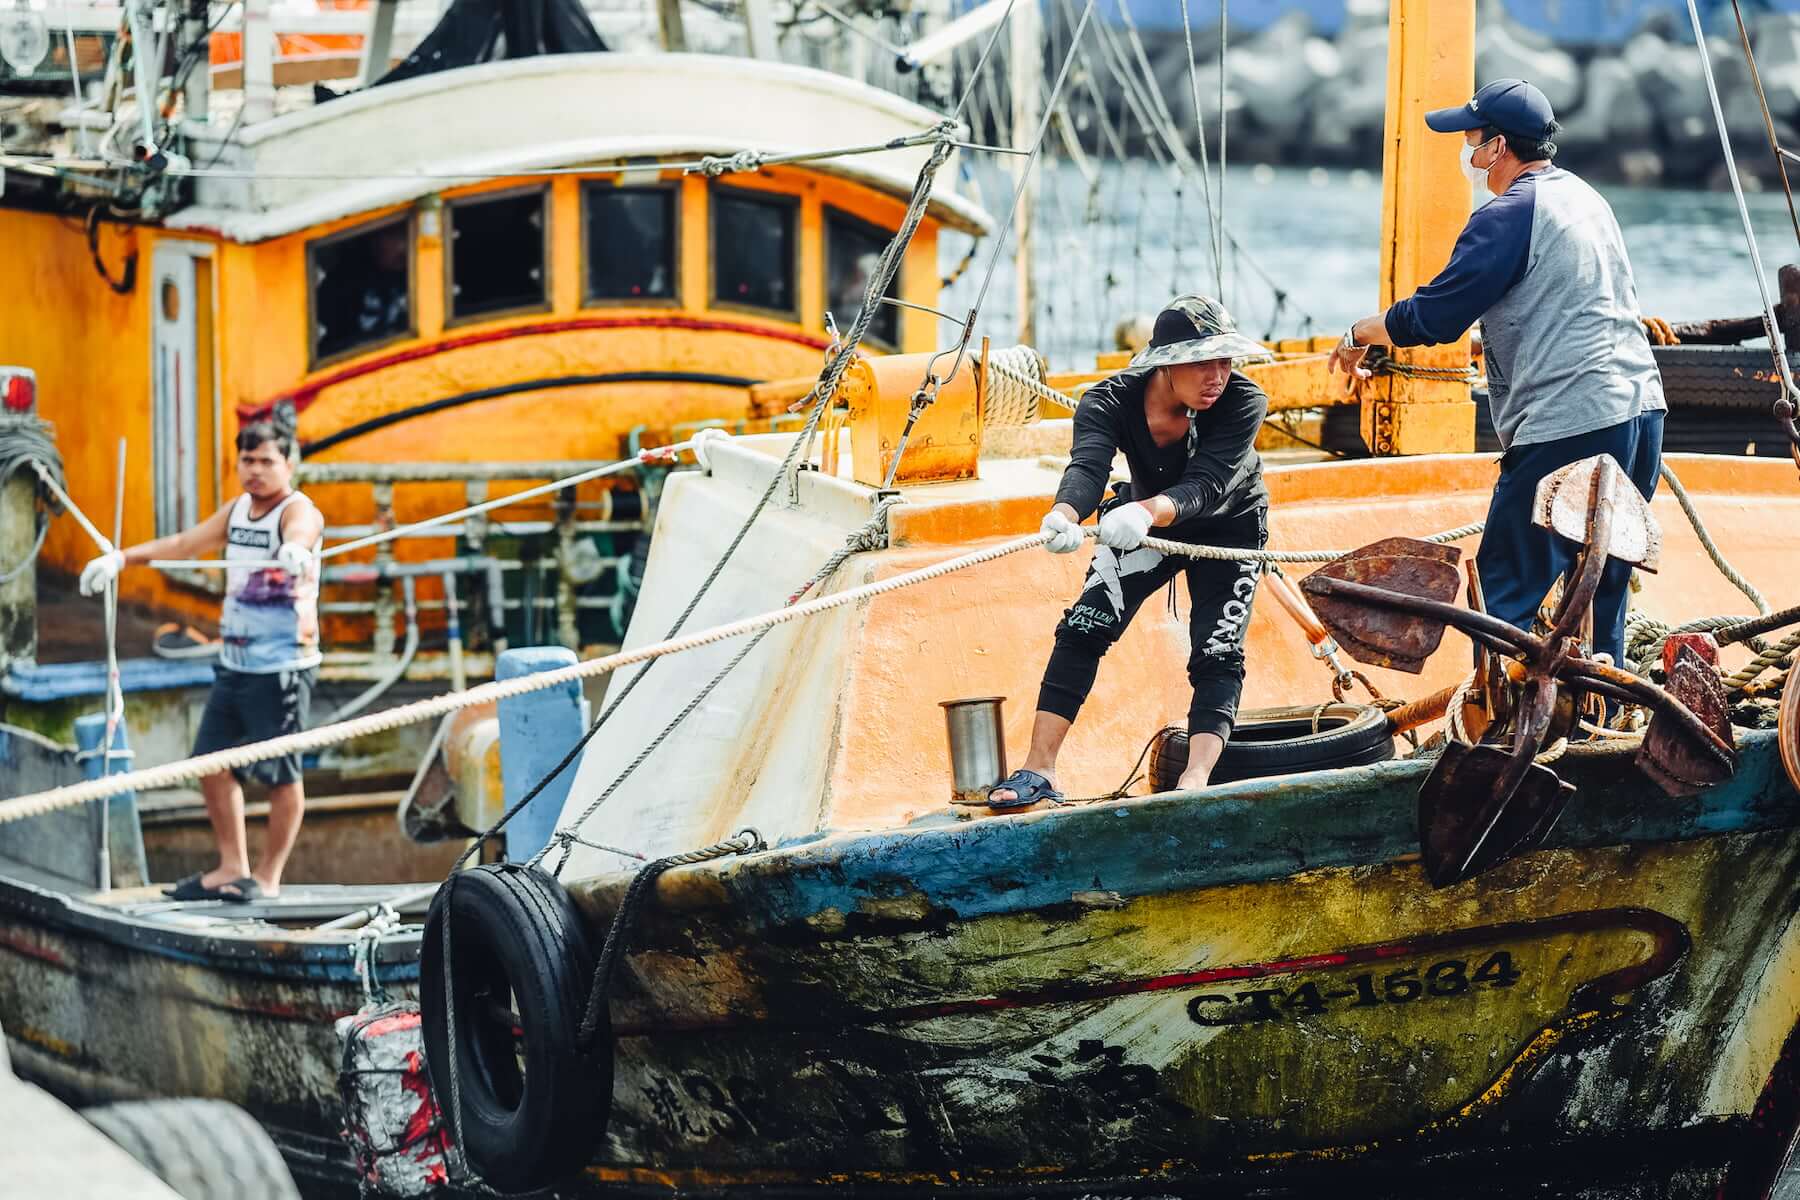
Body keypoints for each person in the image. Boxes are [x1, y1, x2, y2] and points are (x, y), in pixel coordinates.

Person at [1329, 78, 1665, 670]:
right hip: (1641, 411)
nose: (1466, 150)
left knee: (1504, 591)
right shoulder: (1585, 197)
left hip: (1569, 423)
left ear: (1498, 147)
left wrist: (1359, 333)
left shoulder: (1508, 215)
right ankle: (1604, 712)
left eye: (1471, 139)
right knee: (1604, 585)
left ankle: (1494, 719)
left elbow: (1434, 316)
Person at [988, 295, 1271, 808]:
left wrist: (1144, 511)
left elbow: (1208, 483)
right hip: (1142, 526)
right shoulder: (1108, 401)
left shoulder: (1244, 401)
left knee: (1218, 651)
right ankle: (1038, 768)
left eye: (1225, 361)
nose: (1217, 376)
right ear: (1165, 364)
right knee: (1084, 627)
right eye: (1201, 362)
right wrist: (1064, 515)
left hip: (1229, 528)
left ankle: (1194, 781)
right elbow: (1088, 466)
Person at [80, 414, 323, 901]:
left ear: (289, 464)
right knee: (211, 762)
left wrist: (296, 550)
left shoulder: (296, 510)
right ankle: (232, 866)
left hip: (282, 666)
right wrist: (121, 559)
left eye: (266, 461)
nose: (255, 470)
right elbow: (184, 544)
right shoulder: (238, 511)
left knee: (281, 776)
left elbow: (303, 530)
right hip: (233, 662)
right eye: (247, 460)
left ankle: (268, 878)